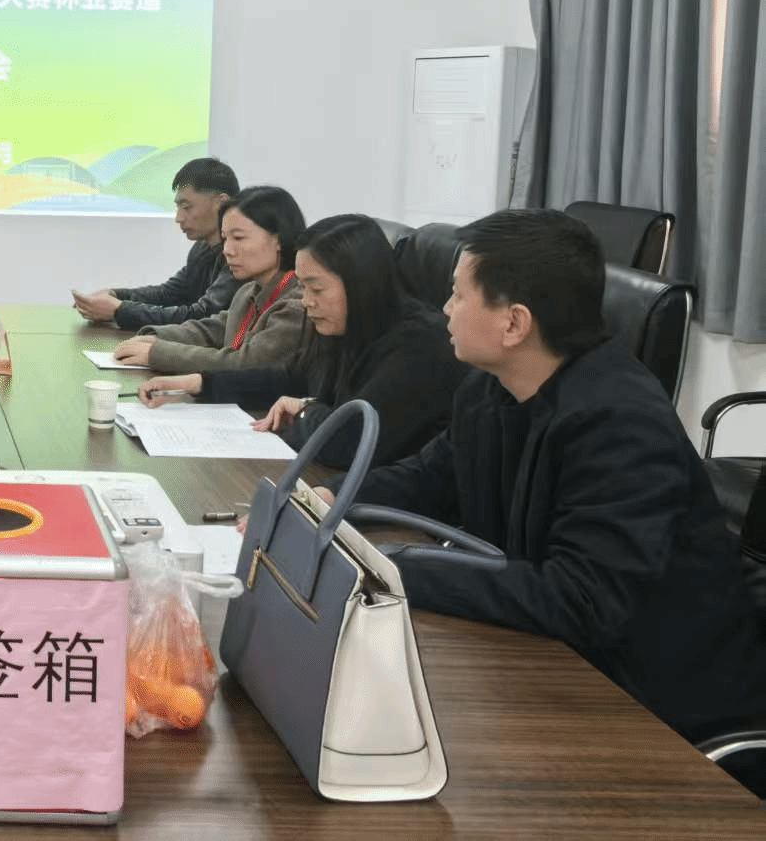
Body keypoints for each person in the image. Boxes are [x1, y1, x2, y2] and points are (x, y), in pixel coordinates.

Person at [336, 209, 766, 791]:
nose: (445, 309)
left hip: (653, 709)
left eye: (458, 295)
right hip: (553, 664)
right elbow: (429, 477)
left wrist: (400, 570)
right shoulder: (491, 387)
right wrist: (329, 500)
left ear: (514, 323)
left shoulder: (620, 423)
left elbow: (581, 599)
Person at [140, 214, 463, 468]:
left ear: (360, 284)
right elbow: (294, 378)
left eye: (316, 288)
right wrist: (200, 383)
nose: (306, 301)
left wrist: (307, 410)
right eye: (303, 286)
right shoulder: (351, 325)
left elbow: (347, 441)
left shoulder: (419, 346)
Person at [112, 185, 310, 374]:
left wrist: (157, 353)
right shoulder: (248, 291)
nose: (227, 250)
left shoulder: (296, 303)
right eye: (225, 239)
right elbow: (211, 330)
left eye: (238, 238)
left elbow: (246, 364)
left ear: (278, 239)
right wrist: (154, 337)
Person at [72, 157, 240, 329]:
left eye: (187, 207)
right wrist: (116, 296)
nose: (178, 218)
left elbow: (202, 316)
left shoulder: (240, 256)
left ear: (221, 203)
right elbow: (170, 293)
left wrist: (118, 310)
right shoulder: (202, 248)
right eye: (178, 208)